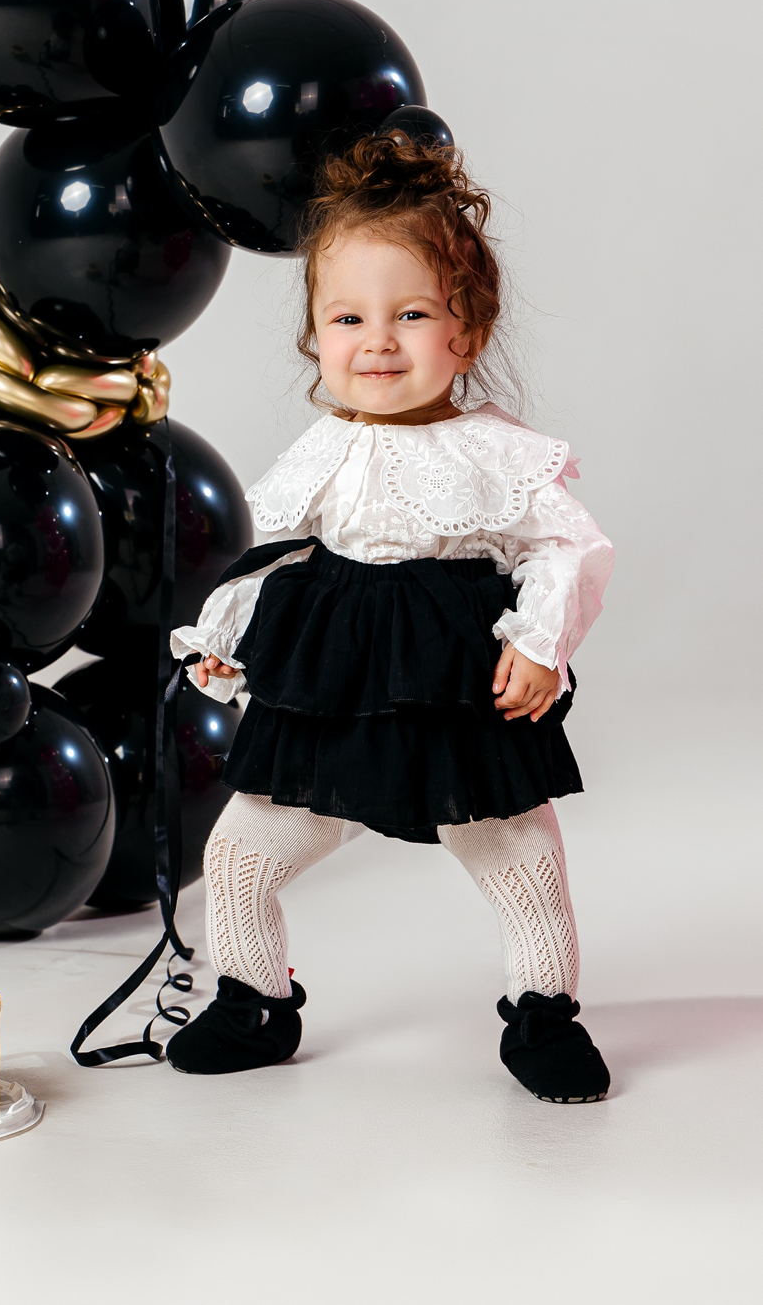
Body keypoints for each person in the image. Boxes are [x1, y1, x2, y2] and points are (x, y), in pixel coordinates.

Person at [167, 132, 614, 1103]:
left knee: (519, 855)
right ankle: (252, 1000)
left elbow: (567, 547)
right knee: (239, 853)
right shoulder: (324, 446)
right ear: (315, 336)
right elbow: (284, 554)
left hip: (453, 678)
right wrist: (228, 641)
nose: (377, 340)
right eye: (348, 317)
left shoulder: (493, 451)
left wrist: (540, 641)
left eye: (411, 314)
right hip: (333, 682)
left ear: (468, 332)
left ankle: (543, 1014)